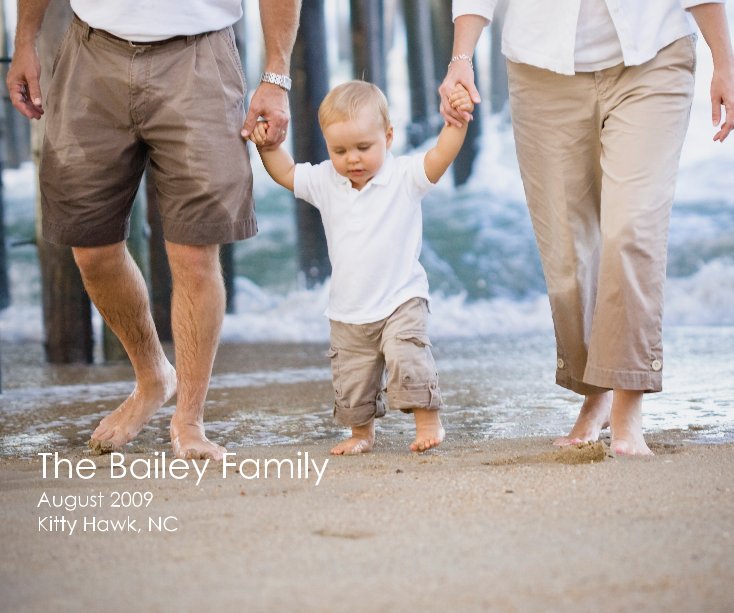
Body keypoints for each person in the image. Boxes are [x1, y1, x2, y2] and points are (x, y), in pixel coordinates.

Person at [6, 0, 301, 461]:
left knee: (194, 251)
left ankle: (189, 420)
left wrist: (276, 75)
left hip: (199, 57)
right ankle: (152, 378)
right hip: (91, 50)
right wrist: (24, 41)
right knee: (91, 247)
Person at [441, 1, 734, 455]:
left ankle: (626, 409)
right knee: (566, 254)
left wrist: (724, 60)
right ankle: (596, 392)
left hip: (652, 57)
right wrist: (462, 58)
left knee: (632, 229)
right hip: (543, 72)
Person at [249, 80, 474, 454]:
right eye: (339, 150)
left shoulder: (403, 177)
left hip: (402, 299)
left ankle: (428, 422)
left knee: (408, 358)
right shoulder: (326, 180)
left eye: (363, 148)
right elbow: (286, 173)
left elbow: (440, 156)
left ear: (388, 137)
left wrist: (457, 122)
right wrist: (268, 146)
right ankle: (361, 434)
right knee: (353, 380)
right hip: (348, 310)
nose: (352, 158)